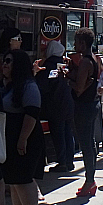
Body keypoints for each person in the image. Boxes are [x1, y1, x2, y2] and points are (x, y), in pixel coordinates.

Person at [1, 49, 43, 205]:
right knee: (14, 182)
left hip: (26, 140)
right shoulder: (6, 85)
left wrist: (22, 139)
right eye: (4, 60)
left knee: (24, 180)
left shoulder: (28, 85)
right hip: (9, 138)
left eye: (9, 61)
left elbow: (32, 113)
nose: (4, 64)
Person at [64, 28, 100, 197]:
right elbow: (88, 81)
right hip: (93, 104)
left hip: (83, 107)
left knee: (86, 144)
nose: (75, 45)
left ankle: (89, 180)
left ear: (83, 44)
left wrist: (66, 79)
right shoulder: (95, 58)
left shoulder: (85, 61)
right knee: (90, 142)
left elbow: (79, 88)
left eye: (77, 42)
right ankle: (91, 179)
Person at [36, 40, 75, 173]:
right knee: (67, 133)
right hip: (67, 104)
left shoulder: (49, 66)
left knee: (58, 134)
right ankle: (69, 161)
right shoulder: (64, 65)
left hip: (55, 105)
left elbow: (42, 85)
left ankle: (62, 162)